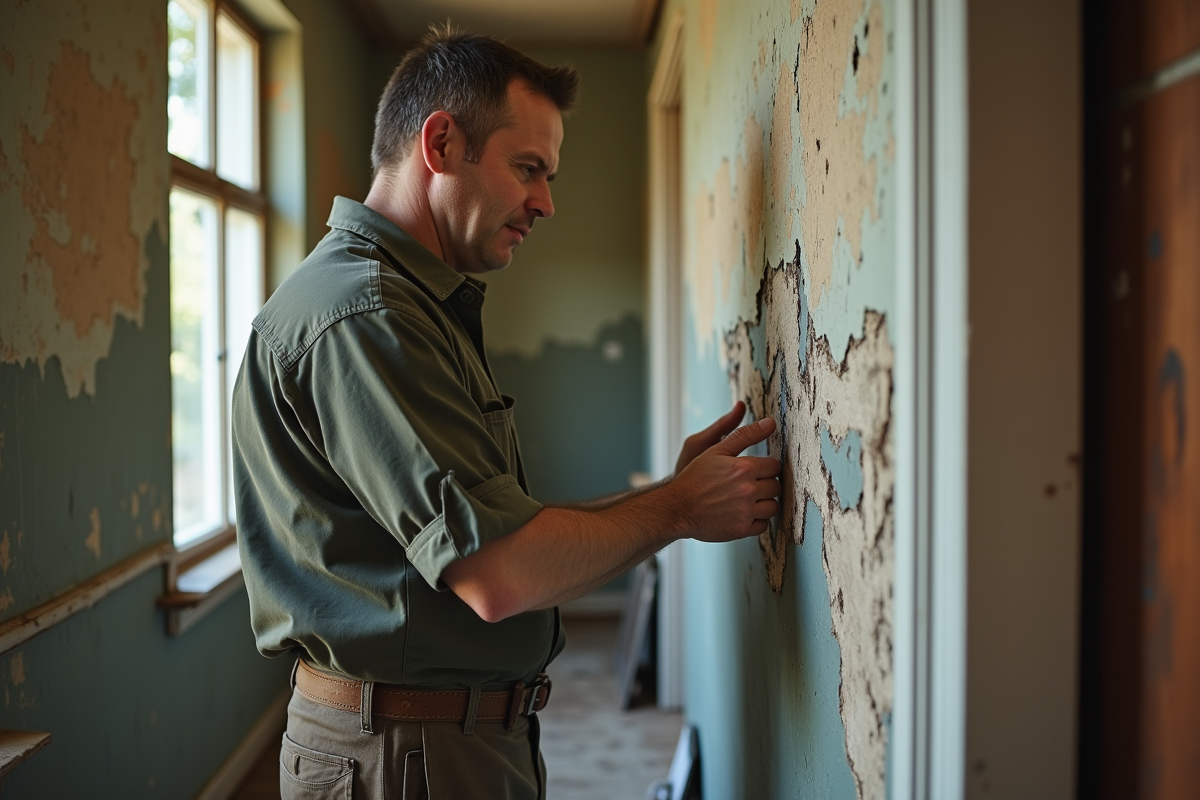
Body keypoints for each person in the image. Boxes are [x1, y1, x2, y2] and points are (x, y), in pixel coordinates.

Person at [232, 25, 781, 800]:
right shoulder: (367, 316)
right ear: (441, 144)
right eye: (528, 169)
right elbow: (500, 574)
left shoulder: (401, 306)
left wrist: (671, 493)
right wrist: (679, 508)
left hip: (436, 741)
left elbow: (498, 531)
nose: (545, 203)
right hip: (406, 757)